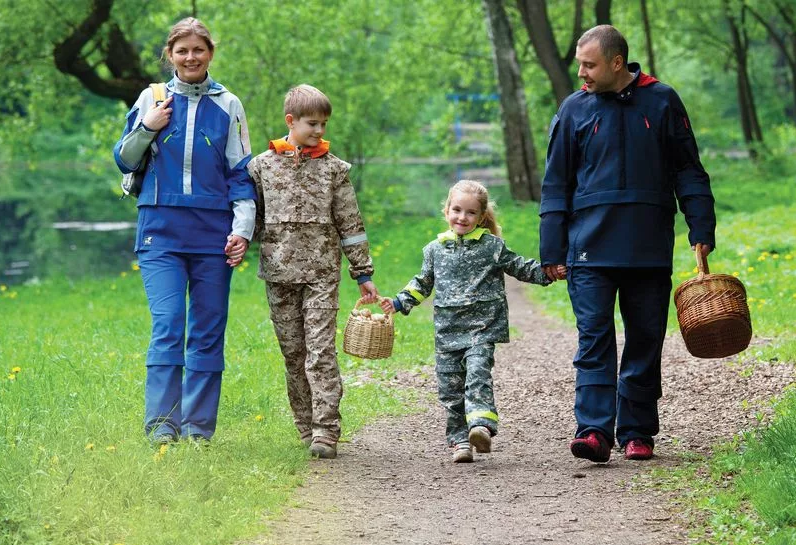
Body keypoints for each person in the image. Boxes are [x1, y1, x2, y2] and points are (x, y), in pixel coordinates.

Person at [539, 25, 716, 463]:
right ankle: (594, 430)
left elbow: (689, 171)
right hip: (589, 248)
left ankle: (637, 431)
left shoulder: (662, 100)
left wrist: (701, 228)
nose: (581, 72)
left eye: (589, 64)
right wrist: (551, 250)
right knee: (594, 338)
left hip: (648, 248)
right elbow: (556, 183)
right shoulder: (574, 109)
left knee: (645, 338)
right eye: (579, 63)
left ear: (617, 63)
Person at [113, 18, 256, 444]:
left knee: (209, 328)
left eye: (198, 50)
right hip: (161, 232)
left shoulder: (229, 104)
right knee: (170, 322)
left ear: (210, 53)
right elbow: (124, 159)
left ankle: (197, 430)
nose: (190, 57)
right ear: (170, 55)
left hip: (214, 235)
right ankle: (162, 426)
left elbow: (241, 173)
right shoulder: (151, 98)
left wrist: (242, 230)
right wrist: (149, 125)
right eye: (182, 51)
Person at [380, 180, 560, 463]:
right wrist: (399, 302)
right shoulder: (435, 250)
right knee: (450, 389)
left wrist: (547, 273)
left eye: (470, 213)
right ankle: (459, 441)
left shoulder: (492, 247)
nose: (462, 217)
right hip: (447, 331)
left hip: (482, 327)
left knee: (477, 373)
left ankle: (481, 426)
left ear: (482, 216)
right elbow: (423, 283)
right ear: (447, 210)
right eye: (457, 210)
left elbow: (520, 267)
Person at [247, 84, 378, 460]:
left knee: (319, 352)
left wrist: (363, 272)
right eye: (312, 123)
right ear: (291, 121)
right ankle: (304, 425)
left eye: (323, 123)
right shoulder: (261, 167)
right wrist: (233, 245)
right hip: (278, 274)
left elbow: (351, 224)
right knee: (293, 352)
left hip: (322, 274)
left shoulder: (335, 170)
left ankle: (326, 430)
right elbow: (248, 217)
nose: (320, 131)